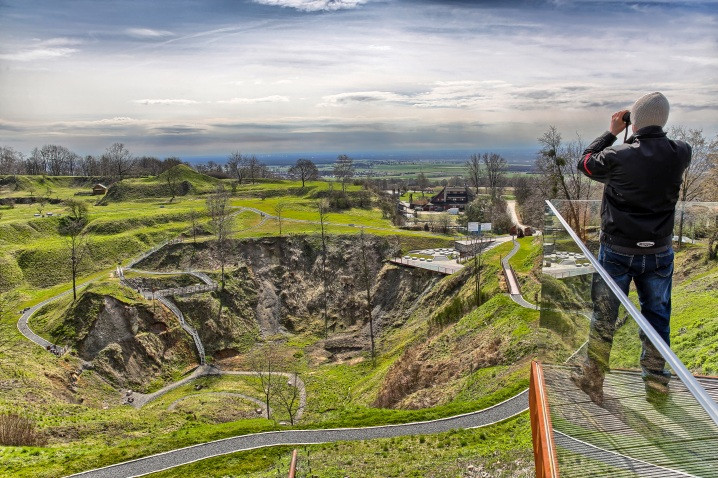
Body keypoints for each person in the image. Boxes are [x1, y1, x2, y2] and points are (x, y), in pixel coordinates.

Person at [571, 92, 691, 405]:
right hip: (660, 252)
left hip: (617, 251)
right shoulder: (682, 152)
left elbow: (584, 163)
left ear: (632, 121)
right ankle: (656, 383)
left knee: (604, 316)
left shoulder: (618, 157)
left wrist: (612, 132)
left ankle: (593, 379)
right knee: (657, 317)